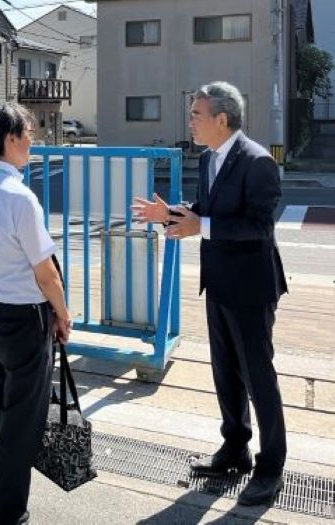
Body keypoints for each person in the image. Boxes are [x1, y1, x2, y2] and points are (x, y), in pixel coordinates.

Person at [132, 81, 288, 506]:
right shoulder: (207, 158)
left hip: (252, 287)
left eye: (197, 115)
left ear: (223, 119)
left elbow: (259, 227)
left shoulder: (257, 161)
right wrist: (172, 216)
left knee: (259, 377)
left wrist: (203, 226)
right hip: (218, 282)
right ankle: (234, 447)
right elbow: (207, 209)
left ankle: (270, 465)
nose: (191, 122)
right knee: (226, 373)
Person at [0, 101, 72, 525]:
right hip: (28, 317)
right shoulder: (19, 196)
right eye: (29, 132)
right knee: (21, 425)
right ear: (10, 139)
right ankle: (6, 514)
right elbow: (46, 272)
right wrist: (63, 314)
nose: (34, 139)